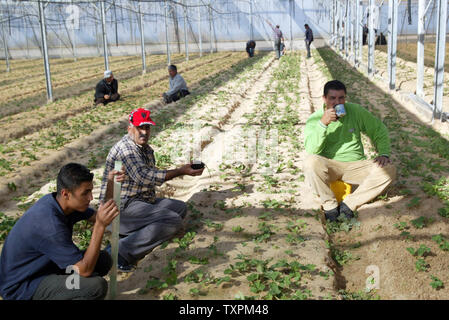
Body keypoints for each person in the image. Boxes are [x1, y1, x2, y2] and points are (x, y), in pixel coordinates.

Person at [99, 108, 204, 271]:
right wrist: (181, 171)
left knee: (180, 208)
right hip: (120, 207)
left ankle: (130, 234)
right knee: (172, 220)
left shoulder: (144, 148)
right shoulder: (127, 150)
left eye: (147, 127)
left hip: (141, 201)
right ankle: (119, 251)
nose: (144, 132)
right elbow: (144, 177)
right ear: (130, 129)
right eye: (139, 127)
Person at [0, 163, 124, 300]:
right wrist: (100, 226)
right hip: (23, 287)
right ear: (66, 194)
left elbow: (98, 215)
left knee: (103, 260)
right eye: (85, 193)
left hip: (44, 268)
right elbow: (84, 270)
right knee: (95, 286)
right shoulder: (50, 225)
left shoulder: (59, 203)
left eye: (90, 191)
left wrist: (111, 184)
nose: (91, 198)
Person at [303, 80, 396, 222]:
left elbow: (379, 129)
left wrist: (383, 153)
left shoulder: (355, 111)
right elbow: (311, 149)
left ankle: (348, 205)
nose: (337, 102)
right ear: (324, 99)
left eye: (341, 98)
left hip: (355, 165)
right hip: (330, 165)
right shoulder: (315, 118)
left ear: (345, 98)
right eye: (332, 98)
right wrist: (323, 124)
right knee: (310, 163)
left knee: (389, 169)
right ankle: (330, 207)